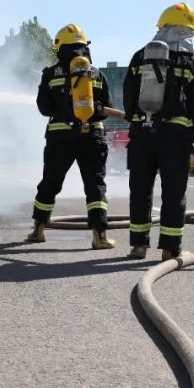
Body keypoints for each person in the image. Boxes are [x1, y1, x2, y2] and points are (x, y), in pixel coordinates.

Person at [122, 2, 194, 261]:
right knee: (174, 193)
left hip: (143, 134)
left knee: (140, 191)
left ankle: (139, 245)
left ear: (162, 27)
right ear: (189, 31)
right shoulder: (193, 61)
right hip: (176, 138)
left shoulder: (141, 56)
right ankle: (170, 248)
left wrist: (134, 118)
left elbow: (129, 94)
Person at [27, 23, 115, 250]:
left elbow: (44, 109)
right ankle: (100, 236)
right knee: (95, 186)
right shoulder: (97, 74)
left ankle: (38, 229)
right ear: (85, 47)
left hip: (60, 138)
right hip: (92, 136)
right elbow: (107, 109)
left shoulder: (50, 73)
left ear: (60, 48)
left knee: (50, 182)